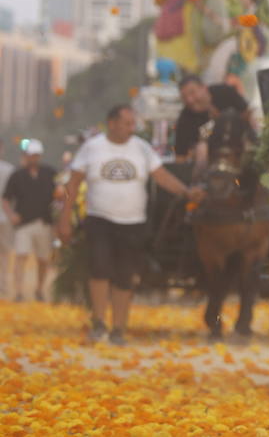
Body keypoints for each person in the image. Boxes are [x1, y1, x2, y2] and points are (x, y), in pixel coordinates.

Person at [57, 104, 204, 344]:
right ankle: (98, 323)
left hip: (133, 223)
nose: (131, 128)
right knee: (99, 270)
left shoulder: (142, 149)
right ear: (111, 123)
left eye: (132, 123)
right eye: (126, 123)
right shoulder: (92, 148)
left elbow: (162, 177)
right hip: (99, 220)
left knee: (125, 276)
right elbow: (72, 185)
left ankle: (118, 329)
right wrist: (64, 219)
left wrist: (186, 192)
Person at [4, 140, 57, 301]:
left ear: (39, 156)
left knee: (43, 259)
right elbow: (6, 199)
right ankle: (18, 291)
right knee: (21, 256)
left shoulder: (49, 173)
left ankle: (39, 289)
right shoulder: (17, 175)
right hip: (23, 224)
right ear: (25, 156)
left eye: (35, 155)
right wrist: (11, 215)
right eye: (30, 155)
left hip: (44, 222)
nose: (32, 158)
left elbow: (61, 193)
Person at [173, 74, 249, 160]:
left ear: (204, 88)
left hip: (241, 149)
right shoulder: (184, 121)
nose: (189, 100)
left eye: (192, 93)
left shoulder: (224, 92)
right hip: (211, 162)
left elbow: (247, 113)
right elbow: (180, 157)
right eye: (184, 97)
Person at [0, 141, 13, 299]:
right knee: (4, 253)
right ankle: (2, 284)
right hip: (5, 217)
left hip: (4, 216)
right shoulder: (9, 170)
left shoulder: (9, 170)